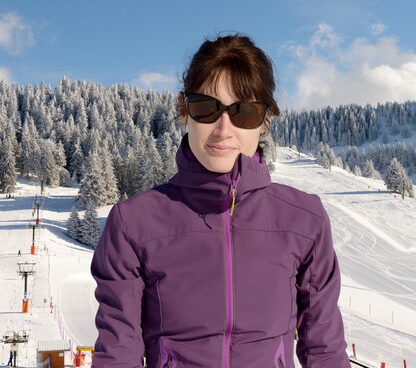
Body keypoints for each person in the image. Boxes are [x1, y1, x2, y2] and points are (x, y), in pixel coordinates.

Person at [91, 34, 350, 367]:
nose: (223, 129)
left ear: (265, 119)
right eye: (206, 108)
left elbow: (324, 349)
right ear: (185, 111)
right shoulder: (134, 223)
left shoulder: (304, 220)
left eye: (243, 112)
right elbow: (118, 352)